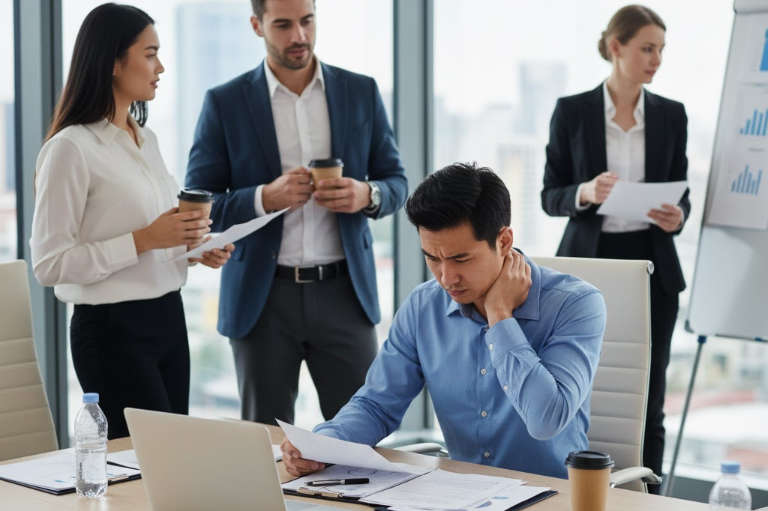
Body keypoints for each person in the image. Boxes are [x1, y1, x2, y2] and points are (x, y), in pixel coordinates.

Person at [281, 163, 606, 479]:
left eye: (460, 259)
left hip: (553, 497)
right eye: (432, 258)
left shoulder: (575, 305)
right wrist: (321, 445)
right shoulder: (424, 306)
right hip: (463, 496)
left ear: (504, 241)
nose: (447, 278)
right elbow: (377, 406)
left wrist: (500, 318)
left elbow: (545, 420)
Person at [185, 0, 407, 425]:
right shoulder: (225, 103)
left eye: (307, 22)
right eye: (283, 25)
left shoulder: (360, 92)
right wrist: (264, 197)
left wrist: (367, 194)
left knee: (362, 437)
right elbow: (201, 205)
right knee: (264, 447)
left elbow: (397, 183)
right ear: (257, 25)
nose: (299, 36)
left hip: (345, 295)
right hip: (262, 299)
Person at [30, 3, 233, 439]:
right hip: (110, 331)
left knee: (172, 461)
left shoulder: (147, 140)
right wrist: (142, 240)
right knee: (139, 472)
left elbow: (156, 236)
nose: (161, 66)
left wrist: (194, 249)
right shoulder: (70, 149)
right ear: (114, 62)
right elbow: (49, 264)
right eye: (150, 53)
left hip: (168, 319)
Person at [540, 5, 689, 488]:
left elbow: (678, 192)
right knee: (587, 390)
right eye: (648, 48)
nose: (657, 59)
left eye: (661, 50)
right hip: (591, 266)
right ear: (615, 47)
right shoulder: (573, 111)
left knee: (650, 397)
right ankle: (583, 490)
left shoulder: (671, 115)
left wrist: (676, 215)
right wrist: (586, 192)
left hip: (651, 266)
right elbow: (550, 195)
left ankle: (650, 493)